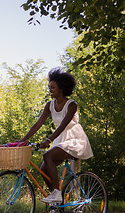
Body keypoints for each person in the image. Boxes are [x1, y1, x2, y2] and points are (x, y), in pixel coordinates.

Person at [17, 67, 93, 203]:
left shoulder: (72, 105)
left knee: (47, 155)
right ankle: (56, 196)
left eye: (53, 87)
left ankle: (57, 194)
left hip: (74, 140)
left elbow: (63, 125)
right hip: (60, 140)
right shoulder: (49, 105)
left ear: (61, 88)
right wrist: (22, 140)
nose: (50, 90)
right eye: (49, 87)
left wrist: (48, 140)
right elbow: (37, 124)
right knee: (43, 168)